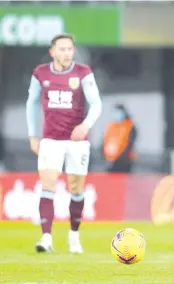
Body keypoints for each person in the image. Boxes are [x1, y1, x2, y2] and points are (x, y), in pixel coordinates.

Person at [26, 34, 102, 254]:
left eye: (69, 49)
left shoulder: (83, 73)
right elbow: (31, 103)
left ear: (73, 51)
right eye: (62, 49)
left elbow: (96, 104)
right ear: (53, 52)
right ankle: (46, 238)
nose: (66, 53)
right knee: (48, 184)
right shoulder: (40, 73)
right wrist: (33, 135)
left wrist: (85, 126)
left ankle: (74, 235)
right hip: (51, 139)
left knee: (76, 188)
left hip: (77, 142)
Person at [102, 104, 137, 173]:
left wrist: (119, 158)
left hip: (124, 162)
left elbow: (130, 144)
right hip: (110, 160)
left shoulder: (129, 126)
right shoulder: (110, 126)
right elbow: (105, 141)